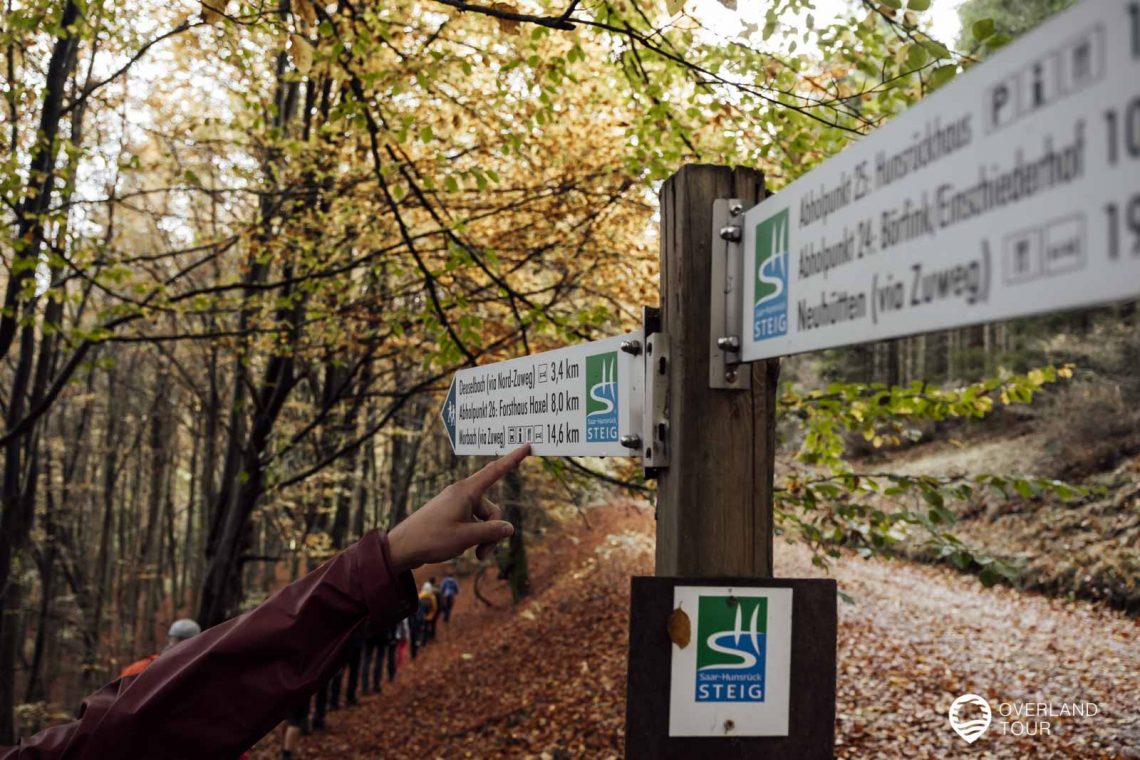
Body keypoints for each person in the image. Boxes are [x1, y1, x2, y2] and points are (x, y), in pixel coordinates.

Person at [0, 445, 530, 759]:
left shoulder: (138, 686)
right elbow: (142, 723)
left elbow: (141, 724)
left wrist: (386, 558)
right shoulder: (141, 682)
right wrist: (383, 561)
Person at [119, 618, 202, 678]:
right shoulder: (140, 669)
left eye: (186, 641)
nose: (182, 645)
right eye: (178, 640)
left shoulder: (200, 671)